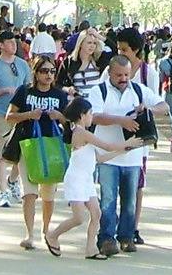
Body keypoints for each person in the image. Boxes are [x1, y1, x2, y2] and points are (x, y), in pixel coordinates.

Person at [44, 97, 137, 259]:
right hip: (76, 179)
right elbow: (107, 146)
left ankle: (90, 249)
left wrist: (124, 150)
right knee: (79, 217)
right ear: (82, 115)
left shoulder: (85, 133)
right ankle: (52, 235)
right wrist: (127, 142)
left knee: (96, 213)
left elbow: (100, 158)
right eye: (90, 113)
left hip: (86, 179)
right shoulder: (81, 133)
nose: (92, 116)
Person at [87, 53, 161, 255]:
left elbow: (164, 106)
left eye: (127, 74)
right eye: (119, 74)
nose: (123, 79)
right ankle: (106, 238)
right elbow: (95, 117)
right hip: (108, 153)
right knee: (108, 198)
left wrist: (148, 108)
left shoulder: (138, 91)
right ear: (109, 73)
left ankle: (127, 236)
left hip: (133, 155)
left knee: (129, 200)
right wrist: (122, 121)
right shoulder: (99, 91)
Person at [8, 57, 72, 250]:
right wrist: (28, 115)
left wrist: (60, 116)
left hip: (51, 147)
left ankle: (46, 231)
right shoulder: (24, 91)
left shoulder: (60, 95)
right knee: (29, 193)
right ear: (35, 72)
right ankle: (30, 233)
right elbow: (9, 116)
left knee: (48, 194)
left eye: (52, 71)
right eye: (44, 71)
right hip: (28, 146)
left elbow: (70, 124)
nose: (49, 75)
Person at [0, 31, 31, 210]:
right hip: (1, 113)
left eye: (14, 42)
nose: (13, 45)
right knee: (1, 154)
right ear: (0, 45)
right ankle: (3, 191)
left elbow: (29, 86)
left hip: (21, 115)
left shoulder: (23, 65)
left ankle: (12, 180)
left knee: (21, 153)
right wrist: (2, 91)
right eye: (9, 42)